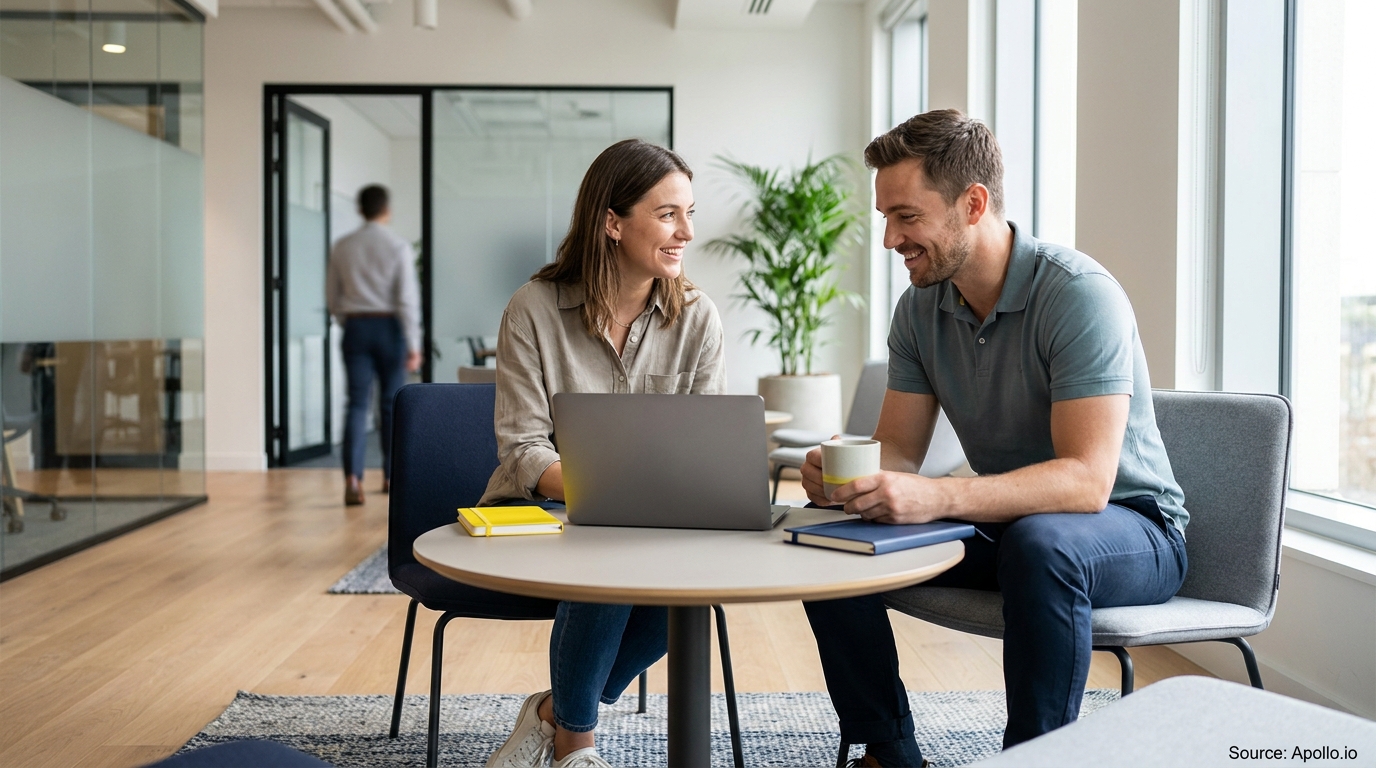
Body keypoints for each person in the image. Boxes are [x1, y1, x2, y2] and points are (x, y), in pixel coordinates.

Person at [799, 110, 1189, 768]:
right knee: (825, 540)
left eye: (906, 216)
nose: (891, 238)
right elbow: (897, 450)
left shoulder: (1078, 296)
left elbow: (1086, 483)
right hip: (1012, 528)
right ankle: (888, 750)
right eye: (885, 219)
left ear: (972, 203)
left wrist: (938, 497)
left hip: (1130, 528)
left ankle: (1030, 759)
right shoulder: (920, 309)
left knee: (1043, 544)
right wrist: (849, 479)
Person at [482, 139, 725, 768]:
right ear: (612, 223)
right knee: (610, 543)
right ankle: (576, 742)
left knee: (696, 573)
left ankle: (554, 713)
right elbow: (524, 448)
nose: (687, 232)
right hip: (550, 513)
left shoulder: (698, 319)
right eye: (669, 214)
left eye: (689, 213)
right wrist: (610, 495)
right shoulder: (533, 309)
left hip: (656, 517)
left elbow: (704, 445)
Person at [326, 184, 422, 506]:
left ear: (359, 209)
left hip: (355, 326)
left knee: (356, 404)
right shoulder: (397, 246)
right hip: (389, 327)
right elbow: (407, 299)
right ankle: (390, 477)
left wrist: (347, 320)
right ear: (386, 210)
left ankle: (353, 480)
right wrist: (413, 343)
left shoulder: (342, 246)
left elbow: (332, 296)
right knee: (390, 405)